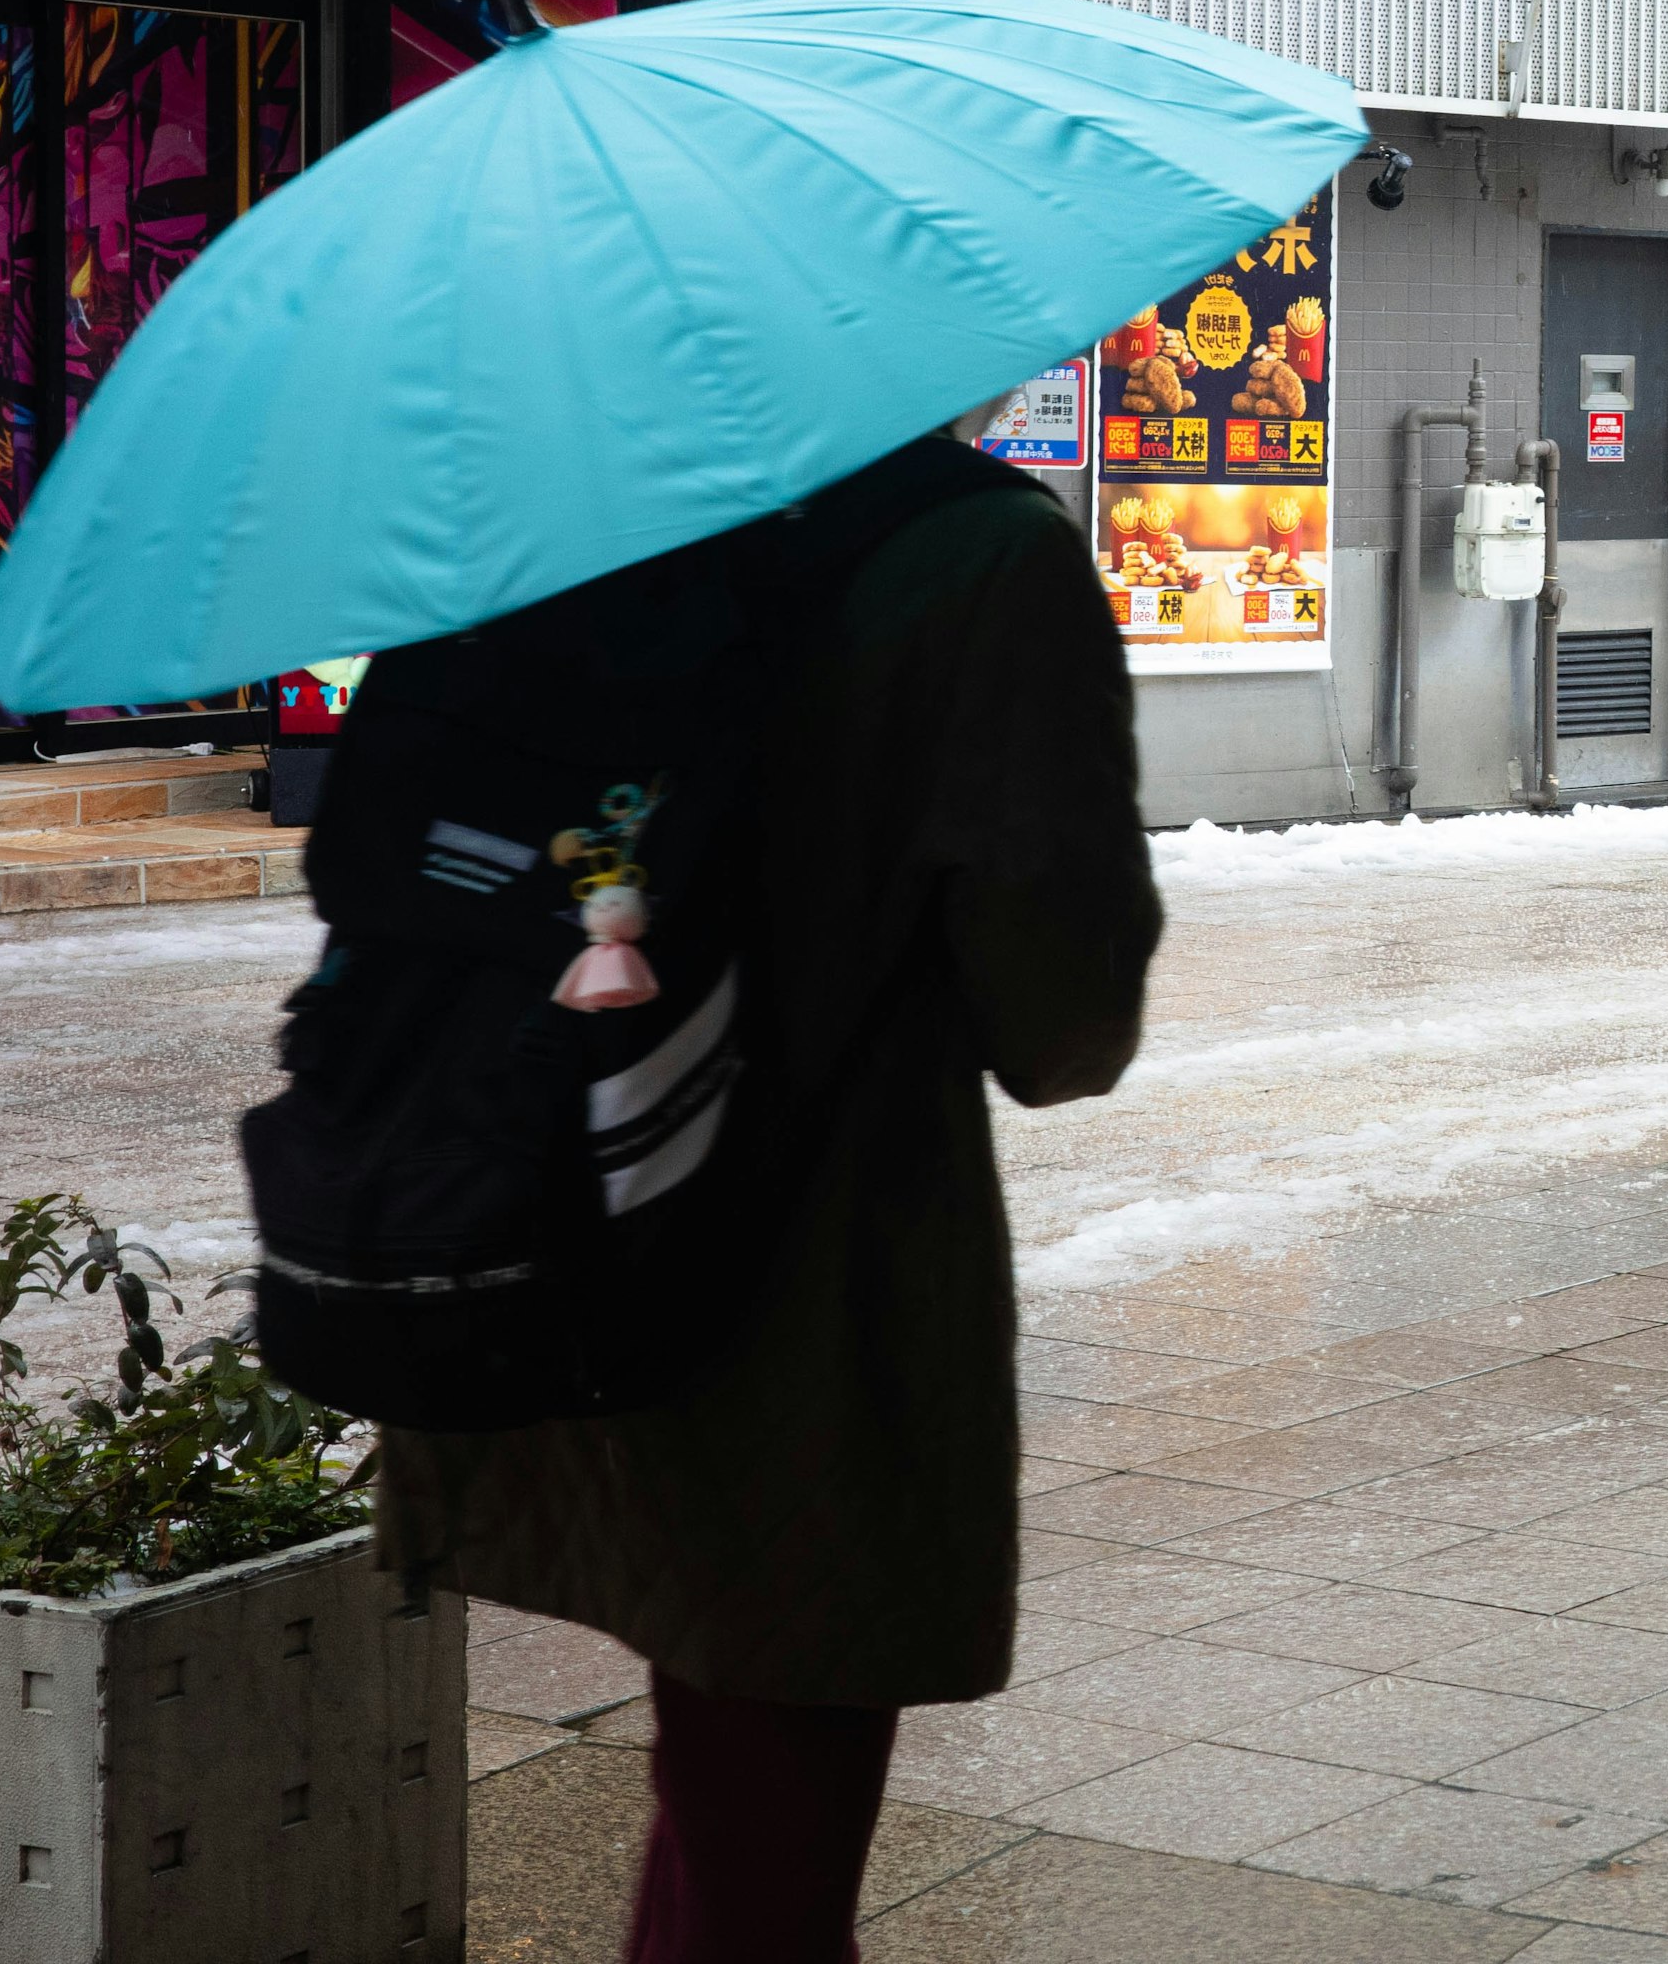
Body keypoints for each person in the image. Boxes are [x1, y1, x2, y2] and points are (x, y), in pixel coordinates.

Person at [372, 404, 1161, 1963]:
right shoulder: (976, 556)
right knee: (768, 1851)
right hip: (802, 1295)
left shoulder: (579, 499)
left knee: (728, 1819)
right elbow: (1064, 1028)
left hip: (537, 1226)